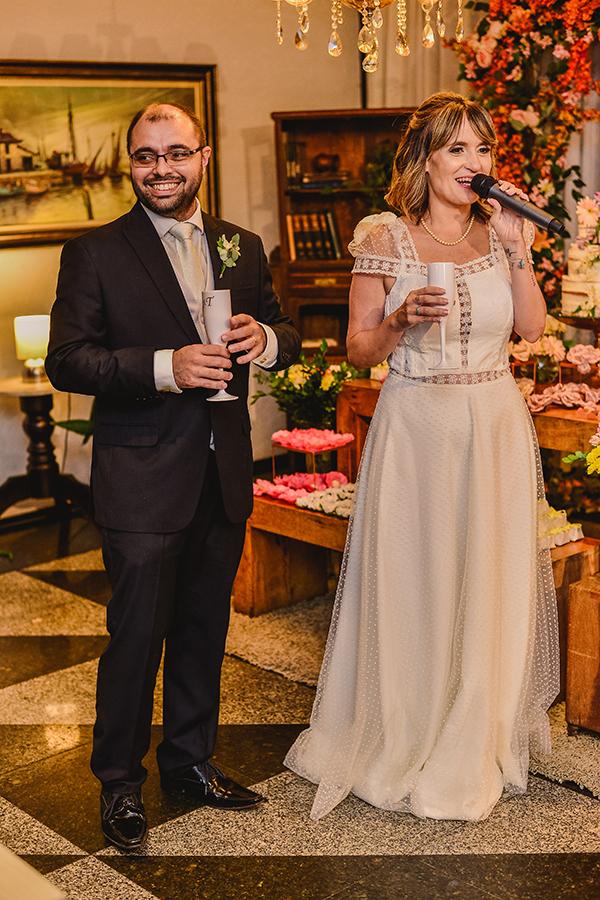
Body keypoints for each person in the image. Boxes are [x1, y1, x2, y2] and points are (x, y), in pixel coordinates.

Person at [285, 92, 560, 822]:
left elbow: (530, 329)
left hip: (494, 423)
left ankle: (478, 723)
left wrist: (517, 248)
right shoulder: (385, 237)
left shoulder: (497, 234)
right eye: (457, 149)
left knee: (488, 572)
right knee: (419, 572)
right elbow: (358, 346)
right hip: (418, 425)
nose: (474, 164)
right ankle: (406, 725)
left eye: (483, 150)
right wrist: (402, 319)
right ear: (425, 158)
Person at [46, 102, 301, 851]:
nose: (161, 168)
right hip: (142, 478)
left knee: (202, 629)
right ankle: (120, 784)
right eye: (145, 156)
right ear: (132, 165)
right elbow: (69, 359)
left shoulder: (241, 246)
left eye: (175, 153)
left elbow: (282, 326)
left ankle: (190, 764)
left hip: (223, 475)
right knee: (136, 637)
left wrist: (270, 341)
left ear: (204, 156)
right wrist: (165, 367)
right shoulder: (95, 253)